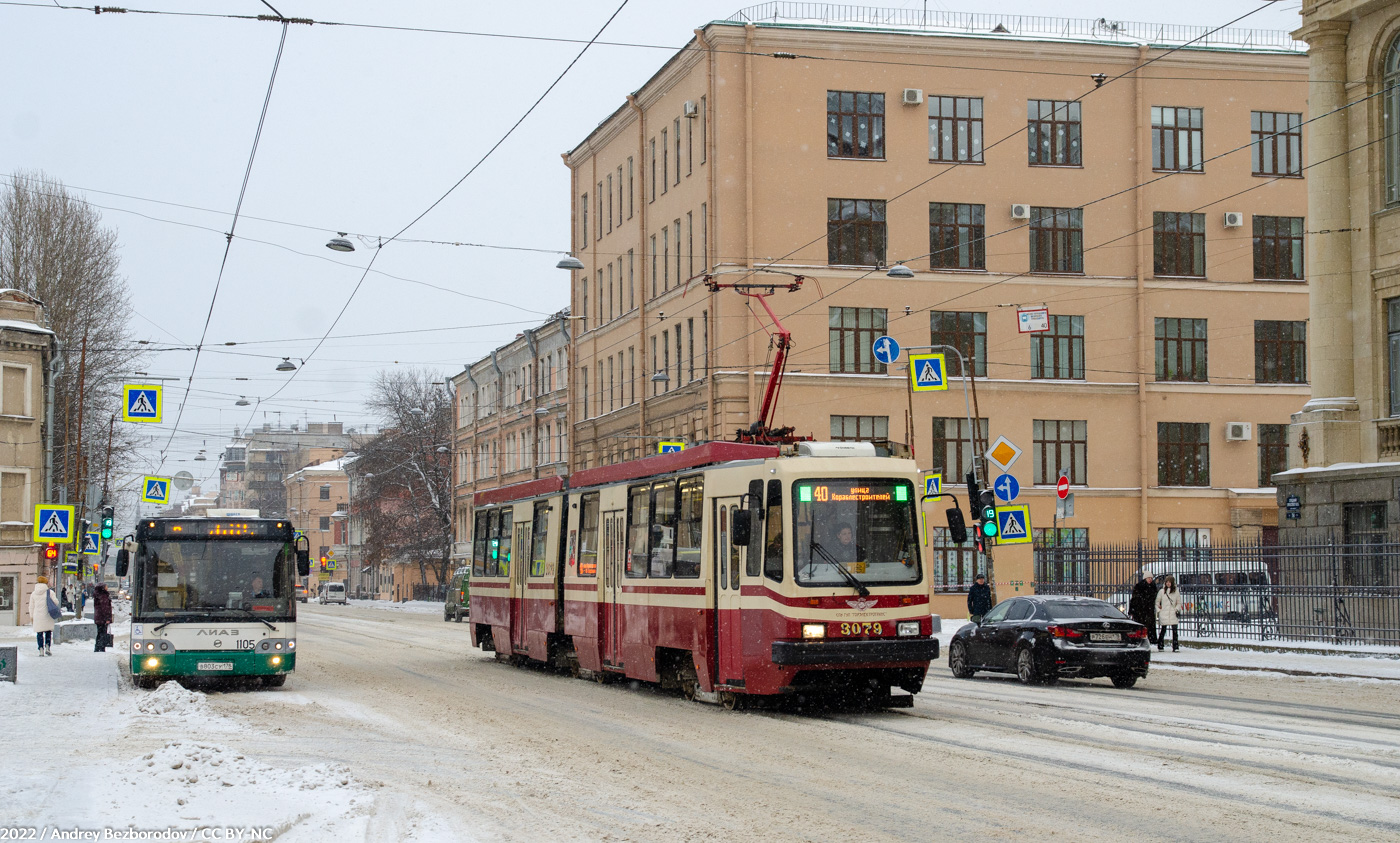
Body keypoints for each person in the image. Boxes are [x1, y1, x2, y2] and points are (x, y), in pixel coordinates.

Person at [29, 576, 56, 656]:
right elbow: (56, 602)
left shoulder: (34, 593)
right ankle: (47, 646)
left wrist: (31, 616)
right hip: (47, 615)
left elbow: (31, 606)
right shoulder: (50, 592)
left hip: (37, 615)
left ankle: (41, 649)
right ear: (46, 583)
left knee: (39, 633)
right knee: (48, 632)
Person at [1128, 573, 1158, 645]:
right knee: (1140, 627)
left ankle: (1150, 641)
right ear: (1145, 578)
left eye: (1151, 578)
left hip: (1149, 610)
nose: (1150, 579)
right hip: (1140, 610)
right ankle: (1139, 641)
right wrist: (1132, 610)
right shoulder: (1139, 586)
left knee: (1149, 627)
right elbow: (1134, 599)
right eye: (1148, 578)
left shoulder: (1153, 587)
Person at [1156, 574, 1183, 652]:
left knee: (1175, 631)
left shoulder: (1176, 592)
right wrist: (1159, 610)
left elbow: (1178, 603)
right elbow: (1157, 602)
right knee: (1163, 630)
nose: (1168, 583)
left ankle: (1175, 646)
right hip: (1164, 613)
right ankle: (1160, 645)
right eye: (1167, 582)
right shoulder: (1162, 591)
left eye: (1169, 582)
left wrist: (1176, 609)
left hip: (1173, 613)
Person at [92, 583, 113, 652]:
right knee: (103, 633)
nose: (107, 587)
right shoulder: (103, 596)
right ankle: (101, 647)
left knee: (100, 632)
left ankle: (98, 647)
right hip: (102, 618)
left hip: (99, 618)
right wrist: (107, 618)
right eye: (106, 586)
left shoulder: (98, 595)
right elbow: (105, 608)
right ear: (103, 588)